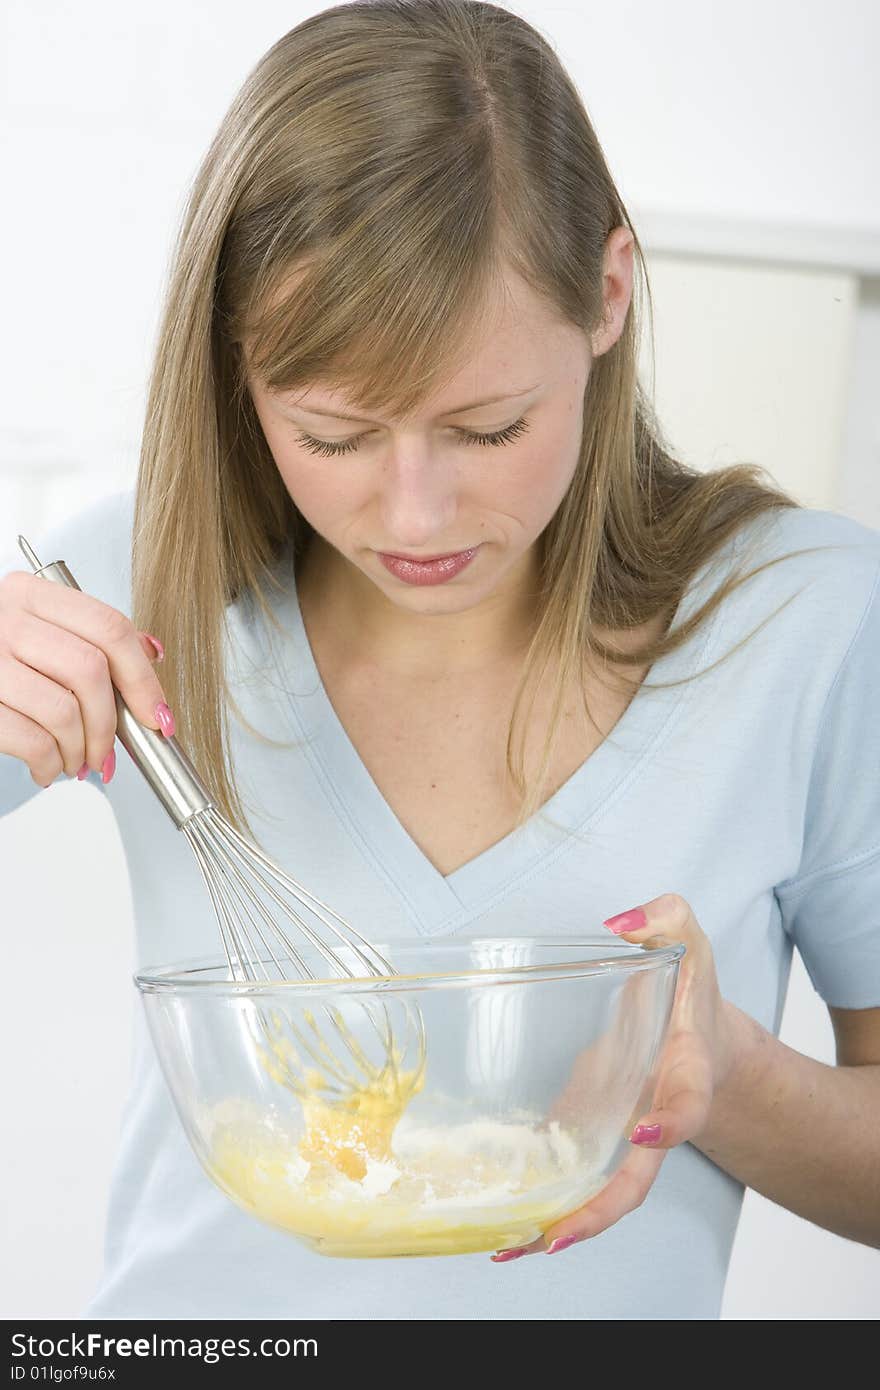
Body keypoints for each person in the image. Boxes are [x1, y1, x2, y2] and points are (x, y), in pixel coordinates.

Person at [1, 0, 878, 1320]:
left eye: (485, 427)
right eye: (336, 436)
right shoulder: (130, 586)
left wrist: (738, 1080)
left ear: (609, 294)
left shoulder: (805, 622)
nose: (413, 516)